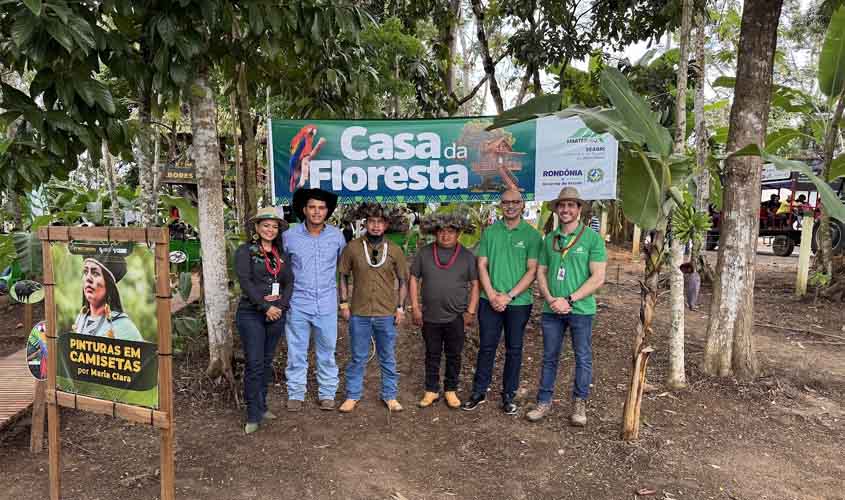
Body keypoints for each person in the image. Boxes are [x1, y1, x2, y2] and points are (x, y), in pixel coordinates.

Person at [526, 186, 606, 426]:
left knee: (582, 357)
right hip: (552, 310)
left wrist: (569, 299)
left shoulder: (592, 239)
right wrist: (551, 299)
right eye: (562, 205)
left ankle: (579, 404)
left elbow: (598, 277)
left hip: (580, 311)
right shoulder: (549, 239)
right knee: (550, 357)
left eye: (571, 205)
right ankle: (544, 402)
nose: (566, 209)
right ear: (557, 210)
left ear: (579, 209)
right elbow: (541, 271)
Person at [462, 190, 541, 415]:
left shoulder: (532, 235)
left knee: (514, 349)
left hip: (519, 302)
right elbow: (482, 265)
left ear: (522, 205)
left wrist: (509, 296)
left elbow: (532, 270)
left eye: (515, 202)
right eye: (506, 202)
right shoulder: (491, 232)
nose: (510, 206)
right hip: (490, 300)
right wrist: (493, 294)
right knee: (486, 346)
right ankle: (478, 391)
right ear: (500, 206)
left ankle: (509, 395)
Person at [338, 203, 409, 413]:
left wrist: (400, 308)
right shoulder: (352, 247)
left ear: (386, 225)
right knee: (358, 357)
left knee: (387, 356)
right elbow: (342, 275)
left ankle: (390, 395)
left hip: (386, 313)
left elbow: (403, 280)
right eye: (372, 222)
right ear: (365, 223)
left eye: (380, 222)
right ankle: (352, 395)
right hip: (359, 312)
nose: (376, 226)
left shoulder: (395, 250)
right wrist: (343, 303)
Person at [283, 188, 346, 411]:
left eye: (321, 208)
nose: (317, 212)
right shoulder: (289, 237)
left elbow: (343, 269)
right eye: (312, 207)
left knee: (327, 351)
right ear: (304, 210)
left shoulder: (337, 236)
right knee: (296, 350)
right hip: (298, 303)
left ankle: (327, 392)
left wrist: (344, 301)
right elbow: (281, 269)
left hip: (327, 303)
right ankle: (296, 393)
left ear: (327, 211)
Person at [409, 211, 479, 409]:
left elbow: (475, 284)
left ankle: (450, 389)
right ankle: (431, 390)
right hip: (430, 315)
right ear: (434, 232)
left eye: (450, 231)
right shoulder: (424, 253)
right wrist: (415, 307)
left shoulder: (466, 256)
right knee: (432, 353)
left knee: (454, 354)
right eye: (441, 231)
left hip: (456, 316)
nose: (445, 235)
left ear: (458, 233)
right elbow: (413, 278)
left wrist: (471, 311)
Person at [234, 207, 294, 434]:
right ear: (257, 228)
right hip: (252, 313)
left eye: (274, 226)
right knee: (255, 362)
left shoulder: (282, 254)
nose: (270, 230)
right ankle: (252, 413)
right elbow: (246, 282)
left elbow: (289, 283)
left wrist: (280, 307)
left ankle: (263, 404)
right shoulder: (245, 252)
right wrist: (265, 306)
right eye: (266, 225)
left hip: (276, 314)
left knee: (267, 362)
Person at [73, 253, 143, 341]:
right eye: (86, 272)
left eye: (95, 273)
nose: (88, 278)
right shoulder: (80, 319)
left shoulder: (123, 326)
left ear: (108, 284)